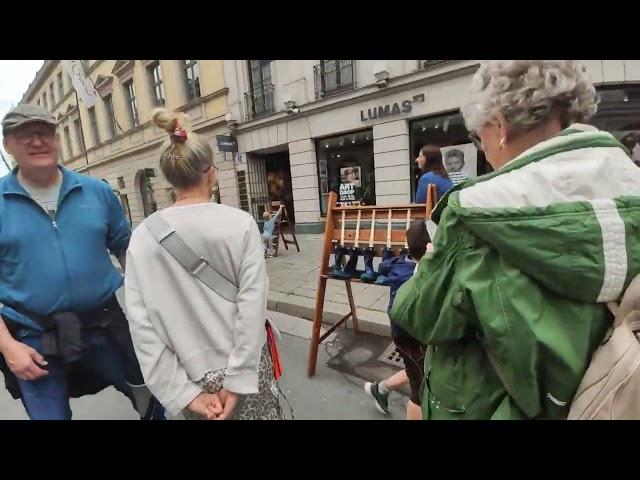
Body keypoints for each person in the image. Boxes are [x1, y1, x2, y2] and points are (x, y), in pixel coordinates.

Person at [390, 60, 640, 420]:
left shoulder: (477, 213)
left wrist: (431, 262)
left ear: (500, 125)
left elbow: (416, 313)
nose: (486, 150)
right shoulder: (628, 186)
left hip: (490, 403)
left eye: (481, 136)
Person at [0, 104, 164, 420]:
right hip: (33, 337)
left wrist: (154, 311)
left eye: (45, 132)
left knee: (155, 403)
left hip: (105, 324)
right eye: (25, 135)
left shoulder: (96, 192)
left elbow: (127, 252)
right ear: (8, 144)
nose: (37, 141)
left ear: (57, 138)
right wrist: (8, 347)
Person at [124, 108, 284, 420]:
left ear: (170, 179)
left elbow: (142, 327)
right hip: (247, 369)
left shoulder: (142, 238)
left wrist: (182, 393)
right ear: (210, 172)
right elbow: (251, 307)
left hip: (190, 376)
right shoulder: (240, 224)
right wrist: (236, 381)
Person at [364, 220, 431, 420]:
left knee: (419, 368)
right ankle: (382, 390)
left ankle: (381, 389)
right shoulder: (421, 274)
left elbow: (382, 267)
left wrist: (394, 260)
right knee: (420, 391)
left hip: (403, 332)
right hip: (410, 335)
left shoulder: (401, 263)